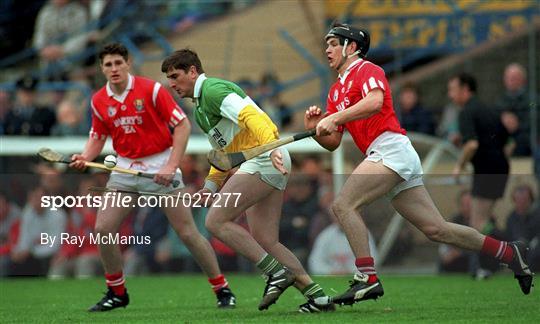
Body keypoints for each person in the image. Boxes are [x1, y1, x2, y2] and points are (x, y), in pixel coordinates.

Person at [304, 22, 534, 306]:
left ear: (351, 48)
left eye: (333, 43)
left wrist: (335, 118)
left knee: (343, 205)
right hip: (385, 155)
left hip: (390, 149)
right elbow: (334, 142)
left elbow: (375, 102)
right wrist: (317, 128)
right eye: (325, 43)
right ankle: (511, 253)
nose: (327, 49)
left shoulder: (366, 69)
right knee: (438, 230)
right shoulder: (335, 91)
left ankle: (367, 278)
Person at [161, 49, 334, 313]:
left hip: (266, 157)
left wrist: (273, 147)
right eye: (169, 79)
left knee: (215, 221)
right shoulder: (200, 110)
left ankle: (276, 273)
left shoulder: (213, 90)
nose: (172, 84)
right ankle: (318, 298)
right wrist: (209, 186)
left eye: (175, 76)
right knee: (266, 239)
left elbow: (254, 118)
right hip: (267, 158)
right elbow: (224, 155)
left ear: (193, 71)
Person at [70, 43, 235, 311]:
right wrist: (84, 157)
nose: (113, 69)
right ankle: (117, 292)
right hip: (124, 170)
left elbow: (181, 125)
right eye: (108, 65)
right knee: (103, 229)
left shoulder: (152, 90)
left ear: (128, 63)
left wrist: (171, 165)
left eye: (118, 63)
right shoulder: (98, 99)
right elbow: (97, 137)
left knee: (187, 233)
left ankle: (222, 288)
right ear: (102, 69)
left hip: (161, 166)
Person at [449, 73, 512, 278]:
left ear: (465, 89)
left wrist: (459, 166)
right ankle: (499, 256)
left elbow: (472, 144)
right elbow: (508, 142)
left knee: (476, 223)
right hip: (500, 167)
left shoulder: (466, 111)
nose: (451, 95)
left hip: (486, 170)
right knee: (485, 221)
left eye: (453, 89)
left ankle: (484, 267)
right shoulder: (489, 109)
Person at [497, 63, 531, 156]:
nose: (510, 80)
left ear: (523, 80)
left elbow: (534, 109)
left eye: (514, 77)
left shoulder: (532, 100)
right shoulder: (500, 101)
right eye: (507, 77)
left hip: (525, 146)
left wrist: (517, 124)